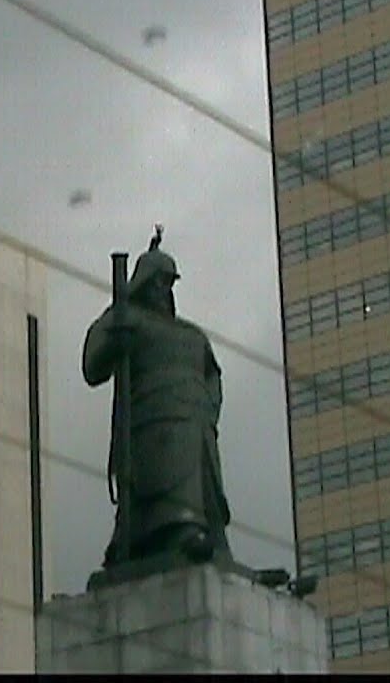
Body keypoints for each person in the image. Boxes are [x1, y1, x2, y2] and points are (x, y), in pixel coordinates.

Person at [82, 228, 232, 568]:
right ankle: (175, 530)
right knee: (165, 485)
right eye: (158, 282)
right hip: (154, 424)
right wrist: (114, 343)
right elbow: (92, 365)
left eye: (168, 283)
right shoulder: (125, 318)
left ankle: (205, 535)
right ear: (143, 283)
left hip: (196, 424)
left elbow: (213, 375)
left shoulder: (192, 334)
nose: (163, 290)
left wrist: (208, 409)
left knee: (201, 488)